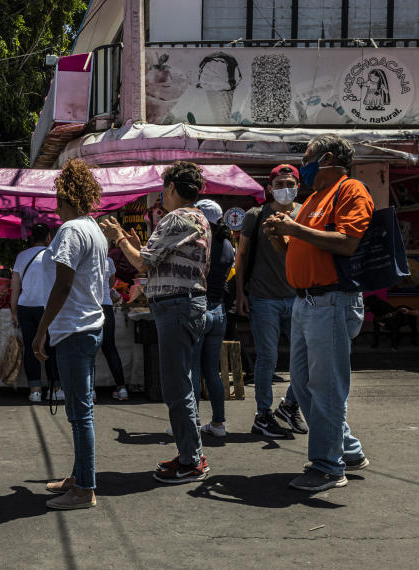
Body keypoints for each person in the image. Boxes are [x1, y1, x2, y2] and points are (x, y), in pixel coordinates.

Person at [263, 134, 372, 492]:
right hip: (307, 301)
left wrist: (293, 227)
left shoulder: (350, 189)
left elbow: (348, 242)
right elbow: (298, 250)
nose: (303, 165)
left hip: (332, 300)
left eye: (306, 157)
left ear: (326, 159)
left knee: (325, 387)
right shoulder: (312, 199)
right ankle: (347, 450)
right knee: (306, 385)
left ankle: (328, 466)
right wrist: (282, 236)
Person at [105, 161, 211, 484]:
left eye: (163, 189)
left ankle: (191, 460)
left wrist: (118, 239)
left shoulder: (176, 218)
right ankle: (190, 453)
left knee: (176, 387)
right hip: (185, 306)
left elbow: (142, 264)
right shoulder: (197, 218)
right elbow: (152, 262)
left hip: (177, 308)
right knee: (182, 384)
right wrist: (133, 243)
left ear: (173, 189)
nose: (161, 196)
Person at [33, 159, 106, 511]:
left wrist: (41, 329)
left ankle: (84, 489)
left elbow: (62, 286)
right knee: (83, 409)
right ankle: (80, 478)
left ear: (67, 199)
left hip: (74, 329)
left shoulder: (71, 231)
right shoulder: (93, 229)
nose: (56, 208)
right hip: (88, 326)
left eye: (58, 201)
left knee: (80, 414)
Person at [235, 164, 306, 437]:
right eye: (279, 184)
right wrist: (241, 293)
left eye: (290, 183)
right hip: (263, 298)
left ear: (298, 186)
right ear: (269, 188)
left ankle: (290, 404)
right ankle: (263, 414)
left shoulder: (304, 213)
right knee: (268, 357)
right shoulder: (256, 215)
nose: (285, 188)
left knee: (305, 356)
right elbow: (241, 256)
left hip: (298, 297)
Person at [193, 199, 234, 437]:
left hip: (200, 307)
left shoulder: (201, 241)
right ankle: (218, 423)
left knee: (193, 369)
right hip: (218, 311)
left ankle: (191, 422)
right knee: (212, 371)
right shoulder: (227, 242)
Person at [10, 224, 61, 402]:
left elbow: (15, 287)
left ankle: (35, 391)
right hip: (48, 308)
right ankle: (55, 388)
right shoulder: (54, 255)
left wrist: (14, 312)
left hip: (26, 307)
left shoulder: (21, 256)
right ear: (49, 237)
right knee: (51, 347)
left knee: (31, 349)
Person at [96, 231, 128, 401]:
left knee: (89, 351)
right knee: (110, 348)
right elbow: (110, 284)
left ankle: (90, 391)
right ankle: (122, 389)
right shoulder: (108, 262)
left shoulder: (85, 261)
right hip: (106, 306)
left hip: (90, 307)